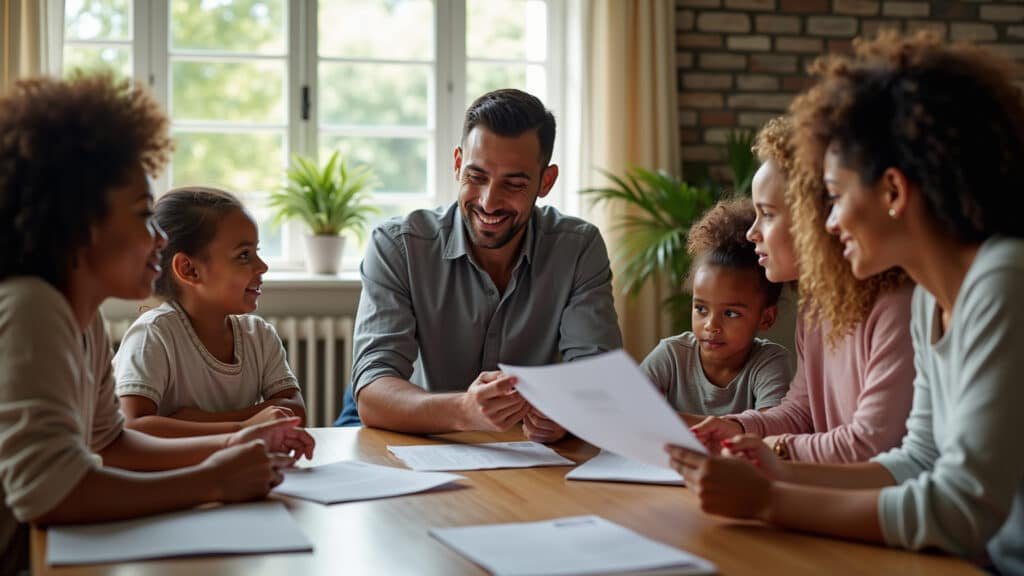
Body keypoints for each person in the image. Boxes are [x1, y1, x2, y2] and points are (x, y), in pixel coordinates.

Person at [667, 32, 1024, 574]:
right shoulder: (934, 298)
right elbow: (917, 461)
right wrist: (773, 468)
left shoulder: (1003, 282)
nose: (827, 223)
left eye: (834, 197)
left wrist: (770, 499)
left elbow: (960, 506)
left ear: (894, 192)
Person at [0, 73, 314, 573]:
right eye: (145, 216)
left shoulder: (84, 320)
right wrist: (213, 481)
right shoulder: (32, 306)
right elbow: (48, 493)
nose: (158, 239)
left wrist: (234, 445)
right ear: (85, 222)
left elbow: (110, 443)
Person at [346, 88, 622, 442]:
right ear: (458, 164)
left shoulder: (579, 248)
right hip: (413, 434)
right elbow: (372, 397)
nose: (489, 202)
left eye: (514, 183)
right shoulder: (397, 246)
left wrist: (567, 414)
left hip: (523, 450)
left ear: (546, 182)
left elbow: (597, 380)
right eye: (476, 177)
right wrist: (463, 410)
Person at [688, 116, 916, 463]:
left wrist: (769, 449)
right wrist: (736, 427)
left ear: (815, 218)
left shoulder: (896, 306)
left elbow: (872, 445)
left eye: (766, 214)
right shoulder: (817, 305)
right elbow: (801, 414)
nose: (752, 233)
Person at [113, 187, 306, 437]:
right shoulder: (154, 335)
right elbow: (132, 426)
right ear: (189, 269)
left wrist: (197, 421)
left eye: (257, 252)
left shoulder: (259, 336)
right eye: (244, 255)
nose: (263, 265)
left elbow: (296, 413)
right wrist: (245, 426)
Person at [640, 198, 792, 415]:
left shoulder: (768, 363)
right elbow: (629, 410)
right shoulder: (672, 355)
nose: (711, 325)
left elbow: (771, 429)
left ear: (766, 317)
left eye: (730, 313)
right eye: (701, 309)